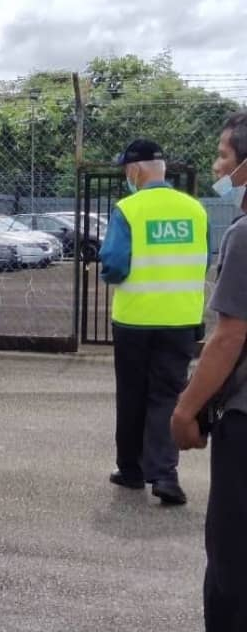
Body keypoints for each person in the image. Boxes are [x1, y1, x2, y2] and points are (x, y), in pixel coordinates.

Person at [167, 113, 247, 632]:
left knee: (232, 546)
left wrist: (186, 409)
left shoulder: (244, 234)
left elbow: (230, 334)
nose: (219, 167)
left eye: (223, 156)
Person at [99, 138, 210, 506]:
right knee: (166, 395)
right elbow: (204, 259)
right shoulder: (195, 210)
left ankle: (130, 470)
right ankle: (165, 475)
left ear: (135, 170)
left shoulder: (129, 209)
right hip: (181, 320)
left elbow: (114, 264)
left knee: (132, 395)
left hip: (135, 320)